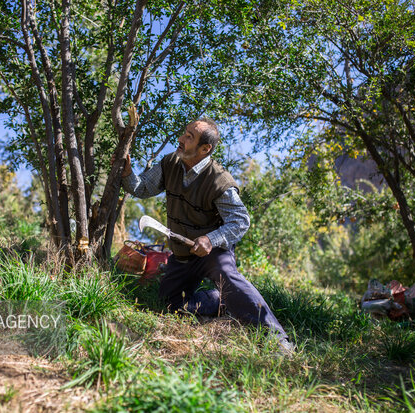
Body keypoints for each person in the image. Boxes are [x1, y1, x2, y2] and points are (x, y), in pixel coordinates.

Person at [113, 118, 295, 354]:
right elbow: (143, 188)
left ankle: (278, 340)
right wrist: (128, 174)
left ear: (204, 149)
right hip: (182, 256)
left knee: (228, 277)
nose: (181, 139)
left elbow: (241, 221)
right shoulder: (170, 163)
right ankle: (219, 300)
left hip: (213, 253)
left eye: (189, 136)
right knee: (170, 304)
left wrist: (210, 240)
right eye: (184, 133)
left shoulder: (219, 181)